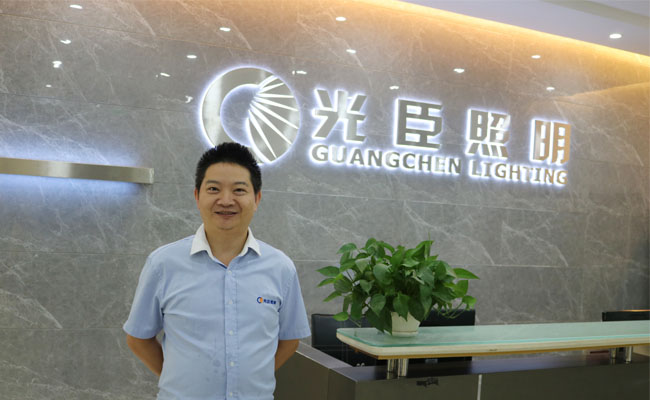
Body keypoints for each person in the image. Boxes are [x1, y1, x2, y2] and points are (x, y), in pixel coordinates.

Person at [123, 142, 311, 400]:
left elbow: (289, 340)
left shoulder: (281, 268)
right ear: (197, 196)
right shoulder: (163, 264)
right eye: (213, 189)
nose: (226, 200)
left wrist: (253, 382)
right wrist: (178, 381)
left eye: (239, 190)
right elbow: (138, 339)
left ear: (256, 199)